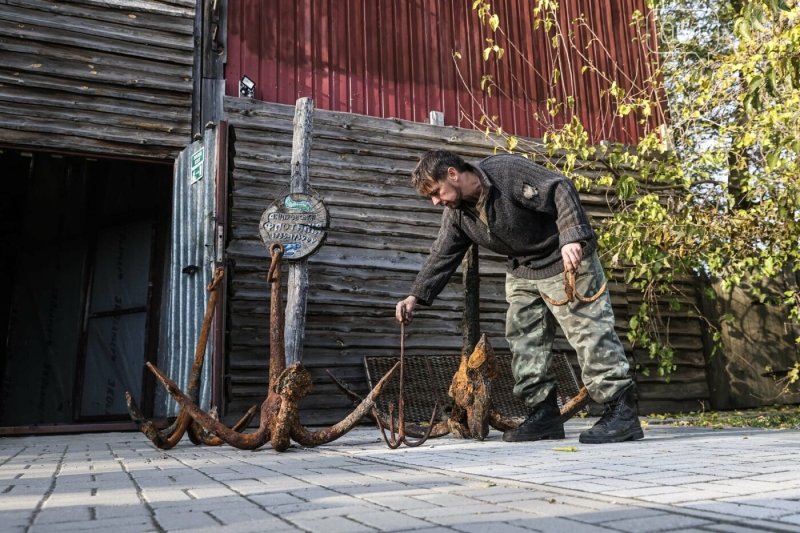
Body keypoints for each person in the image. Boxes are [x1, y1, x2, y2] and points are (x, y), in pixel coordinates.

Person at [395, 150, 643, 444]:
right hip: (523, 269)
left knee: (590, 333)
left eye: (436, 192)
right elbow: (442, 254)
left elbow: (560, 187)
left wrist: (571, 237)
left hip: (565, 259)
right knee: (525, 342)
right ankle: (543, 415)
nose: (436, 201)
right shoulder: (457, 214)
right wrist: (415, 296)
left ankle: (621, 414)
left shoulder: (506, 171)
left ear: (452, 174)